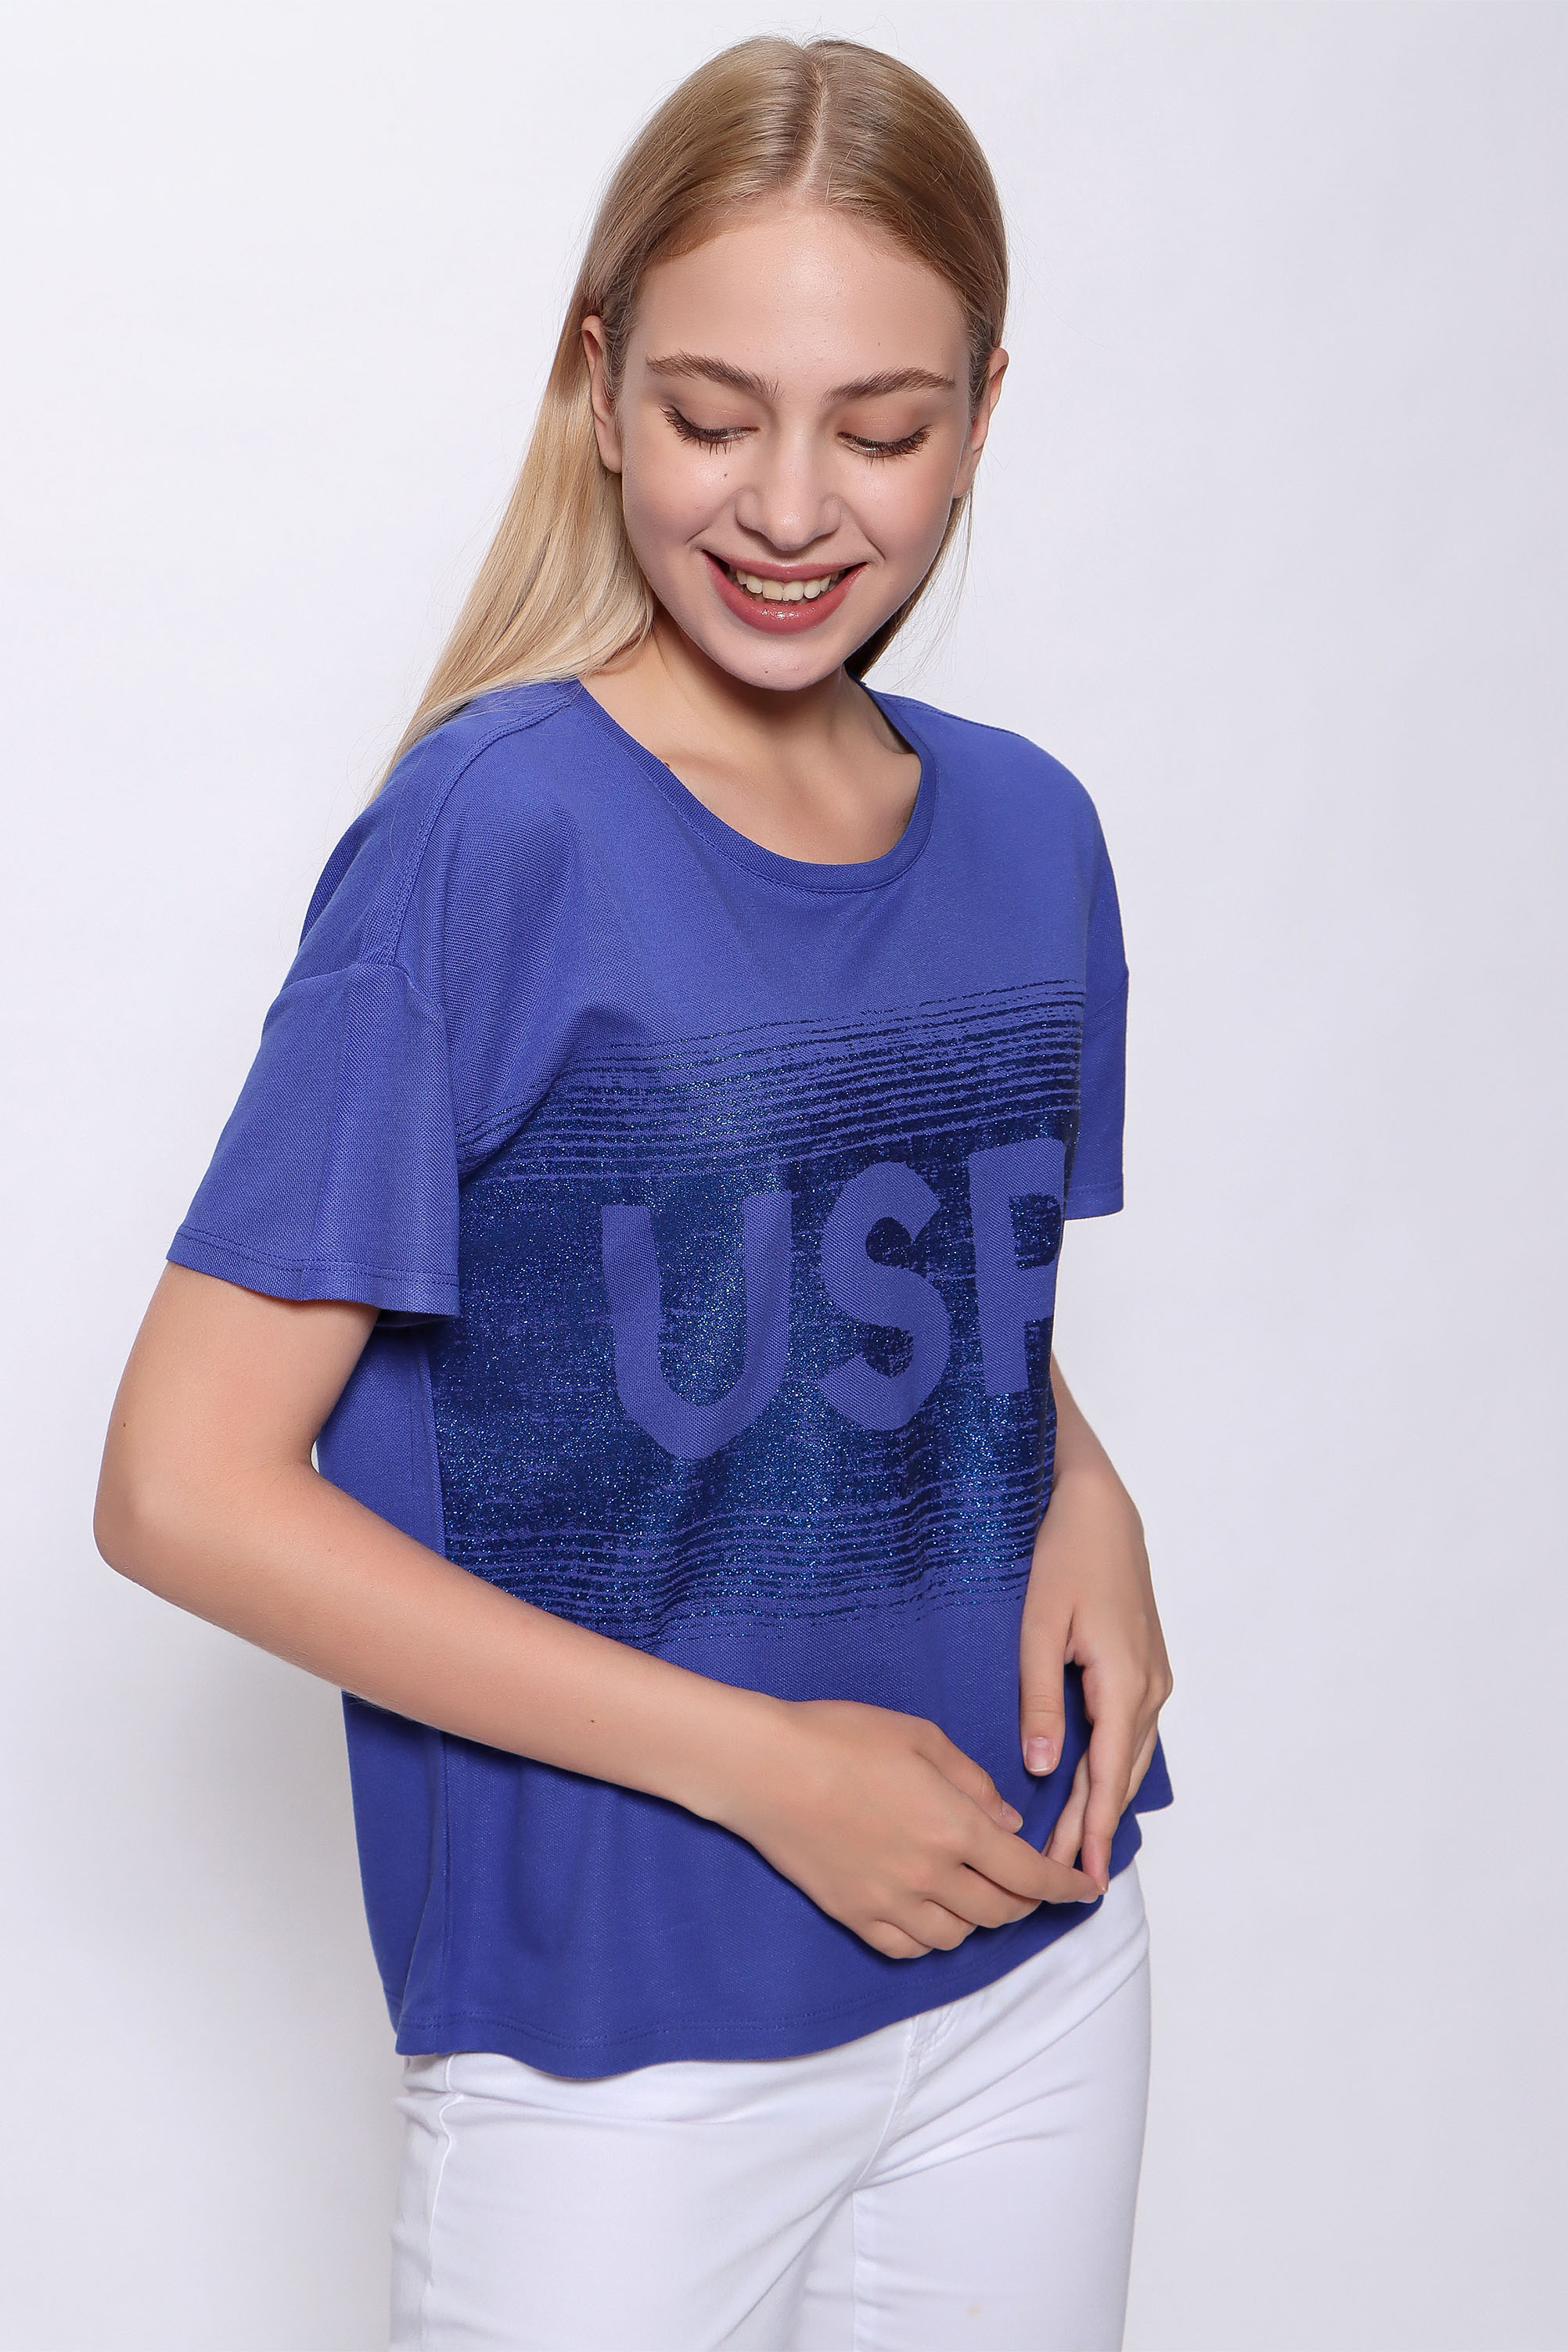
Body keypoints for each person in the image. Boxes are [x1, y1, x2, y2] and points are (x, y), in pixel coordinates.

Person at [95, 34, 1174, 2352]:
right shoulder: (494, 834)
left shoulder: (1031, 833)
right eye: (711, 412)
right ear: (595, 387)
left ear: (983, 414)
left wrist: (1086, 1489)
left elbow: (894, 1277)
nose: (790, 505)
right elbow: (181, 1485)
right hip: (622, 2035)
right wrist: (768, 1776)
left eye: (879, 427)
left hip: (1035, 1955)